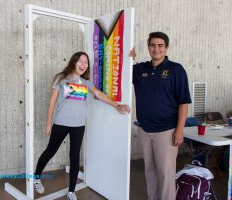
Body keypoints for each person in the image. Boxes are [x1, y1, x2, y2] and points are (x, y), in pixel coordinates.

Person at [33, 51, 130, 200]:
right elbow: (52, 101)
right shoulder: (61, 79)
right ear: (74, 62)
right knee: (50, 151)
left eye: (86, 62)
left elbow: (98, 94)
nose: (84, 64)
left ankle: (71, 191)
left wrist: (116, 105)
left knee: (74, 157)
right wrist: (48, 123)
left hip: (79, 125)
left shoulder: (86, 83)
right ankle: (36, 177)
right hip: (61, 123)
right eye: (81, 61)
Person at [130, 32, 191, 200]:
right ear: (148, 47)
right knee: (149, 170)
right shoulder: (140, 69)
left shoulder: (175, 69)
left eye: (160, 45)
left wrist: (179, 130)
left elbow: (183, 102)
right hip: (144, 129)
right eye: (152, 45)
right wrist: (128, 58)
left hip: (166, 131)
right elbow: (121, 70)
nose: (156, 49)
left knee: (165, 173)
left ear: (166, 48)